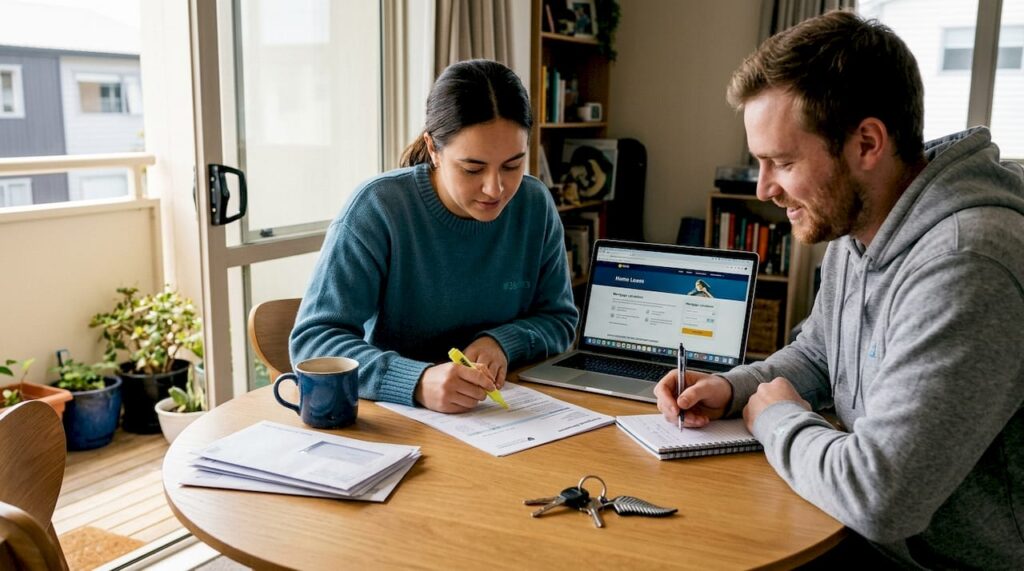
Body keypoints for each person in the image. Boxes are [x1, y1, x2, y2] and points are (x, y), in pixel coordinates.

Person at [654, 11, 1024, 569]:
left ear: (867, 144)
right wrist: (732, 389)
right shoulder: (860, 226)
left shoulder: (965, 263)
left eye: (782, 162)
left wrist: (774, 417)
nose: (764, 189)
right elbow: (820, 352)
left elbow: (880, 498)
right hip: (862, 533)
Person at [290, 59, 578, 414]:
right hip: (398, 422)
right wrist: (416, 381)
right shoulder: (378, 209)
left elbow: (560, 319)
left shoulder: (534, 205)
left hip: (500, 417)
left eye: (512, 165)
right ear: (433, 149)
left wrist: (502, 343)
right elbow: (313, 342)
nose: (496, 188)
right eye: (472, 168)